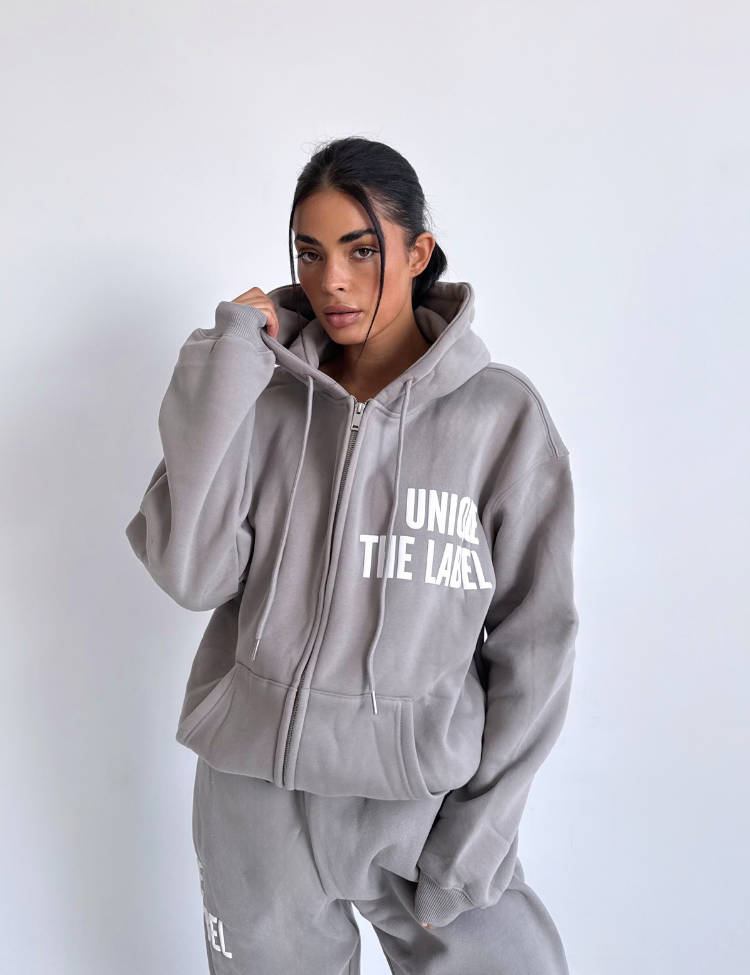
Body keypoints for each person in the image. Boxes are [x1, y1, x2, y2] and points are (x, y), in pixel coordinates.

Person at [125, 136, 578, 974]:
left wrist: (477, 837)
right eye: (310, 252)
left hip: (417, 807)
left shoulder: (502, 419)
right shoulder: (262, 401)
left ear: (418, 252)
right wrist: (226, 368)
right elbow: (190, 572)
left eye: (361, 250)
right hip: (256, 805)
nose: (331, 279)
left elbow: (537, 646)